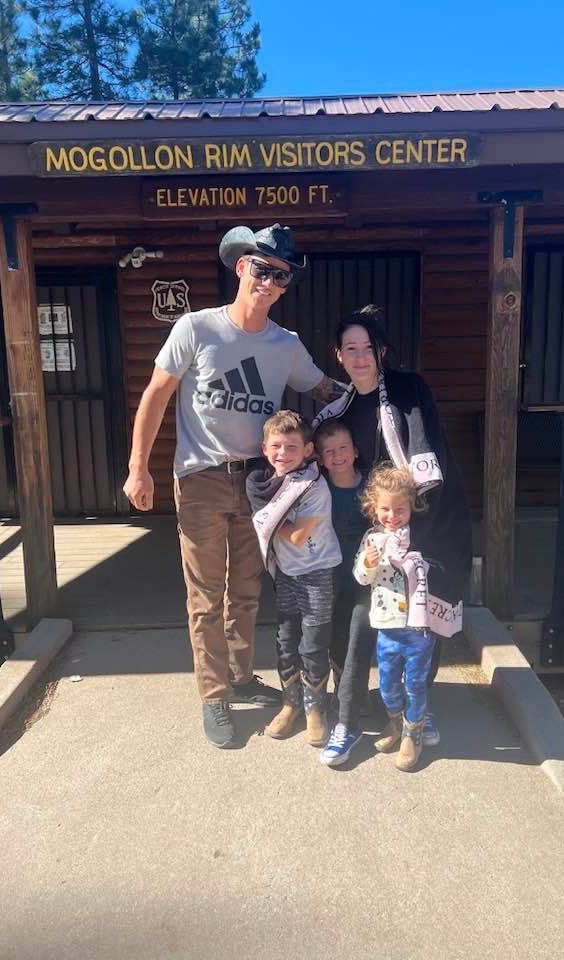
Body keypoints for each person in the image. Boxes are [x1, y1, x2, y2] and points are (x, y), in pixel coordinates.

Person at [123, 224, 341, 750]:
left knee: (246, 590)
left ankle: (241, 676)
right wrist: (138, 467)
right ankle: (214, 696)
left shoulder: (284, 344)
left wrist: (378, 391)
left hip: (258, 483)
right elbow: (155, 395)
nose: (269, 281)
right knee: (205, 594)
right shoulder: (195, 328)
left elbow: (325, 389)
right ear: (241, 267)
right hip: (199, 479)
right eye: (261, 268)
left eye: (281, 275)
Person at [313, 304, 473, 752]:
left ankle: (417, 709)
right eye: (351, 349)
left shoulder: (408, 389)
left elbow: (425, 452)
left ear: (380, 351)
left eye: (368, 348)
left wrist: (410, 524)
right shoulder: (337, 412)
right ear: (338, 355)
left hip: (430, 516)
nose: (360, 357)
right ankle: (375, 706)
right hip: (372, 530)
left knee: (424, 617)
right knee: (366, 616)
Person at [245, 411, 341, 748]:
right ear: (264, 448)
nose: (282, 453)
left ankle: (316, 708)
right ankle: (291, 703)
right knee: (286, 639)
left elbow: (299, 537)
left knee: (313, 642)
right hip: (286, 573)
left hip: (316, 573)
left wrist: (266, 518)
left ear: (308, 450)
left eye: (291, 446)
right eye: (276, 446)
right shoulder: (263, 483)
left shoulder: (313, 485)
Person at [353, 464, 433, 771]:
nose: (392, 516)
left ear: (411, 506)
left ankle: (414, 734)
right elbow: (361, 578)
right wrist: (368, 563)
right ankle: (396, 723)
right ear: (374, 508)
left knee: (415, 682)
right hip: (386, 625)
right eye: (385, 509)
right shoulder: (372, 539)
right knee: (387, 683)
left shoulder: (420, 536)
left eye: (400, 509)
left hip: (418, 627)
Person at [312, 420, 373, 767]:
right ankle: (349, 694)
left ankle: (347, 723)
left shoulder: (372, 489)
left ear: (355, 451)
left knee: (355, 640)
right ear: (320, 458)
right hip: (330, 582)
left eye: (343, 448)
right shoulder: (316, 490)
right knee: (334, 641)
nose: (337, 456)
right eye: (329, 451)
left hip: (369, 585)